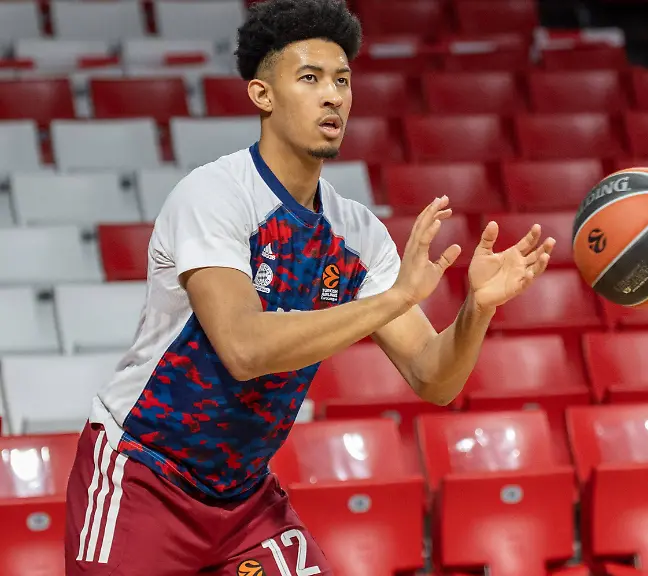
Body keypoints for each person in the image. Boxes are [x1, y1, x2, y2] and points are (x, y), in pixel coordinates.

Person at [62, 0, 556, 572]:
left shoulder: (357, 233)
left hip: (243, 501)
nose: (334, 96)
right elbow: (245, 349)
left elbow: (434, 377)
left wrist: (476, 309)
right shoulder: (215, 195)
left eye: (343, 80)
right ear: (261, 95)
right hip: (143, 476)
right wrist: (394, 298)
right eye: (310, 78)